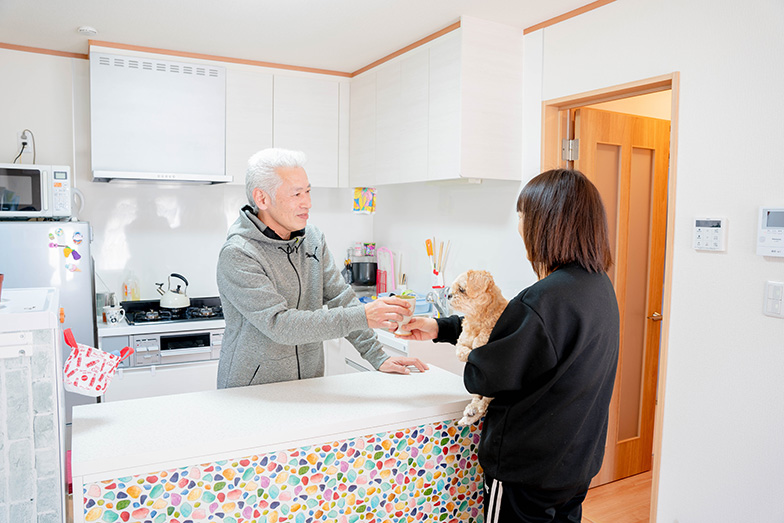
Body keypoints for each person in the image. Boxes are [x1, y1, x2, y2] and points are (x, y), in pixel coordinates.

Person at [404, 169, 620, 522]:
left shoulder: (544, 299)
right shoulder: (596, 288)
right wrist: (440, 327)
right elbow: (517, 334)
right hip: (576, 460)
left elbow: (484, 376)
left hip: (528, 469)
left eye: (522, 216)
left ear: (545, 223)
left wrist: (469, 353)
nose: (519, 226)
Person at [216, 148, 427, 389]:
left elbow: (340, 297)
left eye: (307, 191)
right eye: (296, 194)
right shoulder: (239, 253)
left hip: (309, 384)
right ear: (262, 199)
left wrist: (378, 357)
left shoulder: (313, 239)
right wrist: (364, 315)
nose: (307, 202)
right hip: (252, 391)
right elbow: (280, 324)